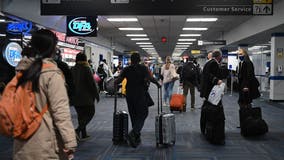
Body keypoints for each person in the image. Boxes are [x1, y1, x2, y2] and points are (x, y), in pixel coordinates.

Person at [13, 29, 77, 159]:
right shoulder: (52, 74)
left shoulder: (21, 71)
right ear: (52, 48)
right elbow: (60, 112)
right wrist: (70, 142)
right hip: (46, 144)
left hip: (22, 143)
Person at [115, 53, 161, 148]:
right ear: (139, 60)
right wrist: (157, 83)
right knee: (143, 113)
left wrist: (115, 83)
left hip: (130, 94)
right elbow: (150, 78)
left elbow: (119, 80)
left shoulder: (127, 69)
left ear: (131, 60)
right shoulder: (143, 68)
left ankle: (136, 137)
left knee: (133, 115)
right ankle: (134, 133)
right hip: (140, 94)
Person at [200, 50, 227, 145]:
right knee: (216, 109)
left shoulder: (208, 63)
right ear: (219, 57)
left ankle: (206, 128)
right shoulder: (213, 63)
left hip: (207, 91)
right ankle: (214, 130)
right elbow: (209, 75)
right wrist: (217, 81)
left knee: (207, 109)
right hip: (212, 92)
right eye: (221, 57)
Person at [71, 52, 100, 140]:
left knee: (81, 115)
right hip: (86, 97)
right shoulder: (87, 68)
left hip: (75, 96)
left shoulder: (72, 69)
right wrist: (96, 95)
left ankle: (83, 134)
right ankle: (78, 130)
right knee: (90, 113)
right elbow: (92, 83)